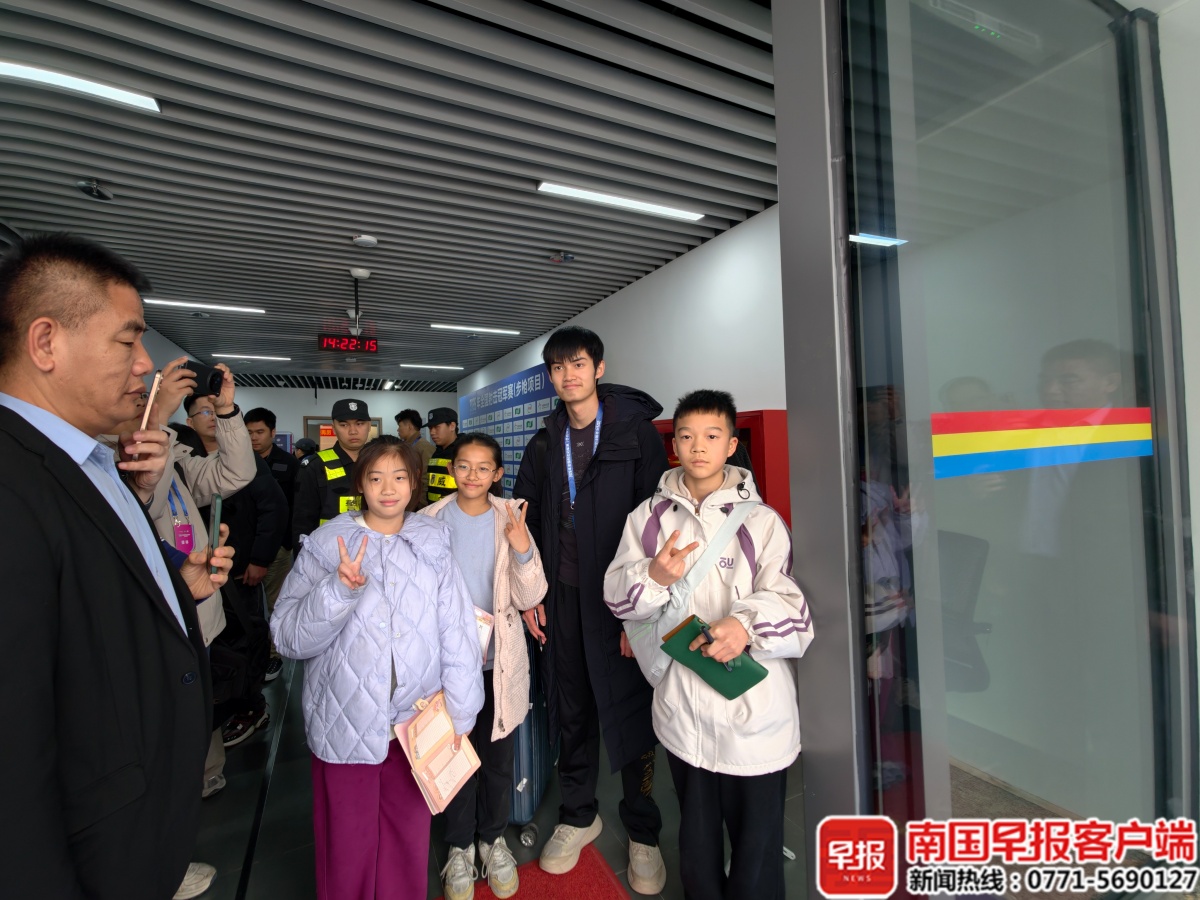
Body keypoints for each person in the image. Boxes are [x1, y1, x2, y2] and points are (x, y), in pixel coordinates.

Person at [0, 232, 234, 900]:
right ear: (46, 343)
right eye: (128, 340)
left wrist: (178, 588)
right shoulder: (13, 482)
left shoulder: (90, 460)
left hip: (131, 831)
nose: (144, 364)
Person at [605, 389, 814, 900]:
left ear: (731, 445)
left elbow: (794, 608)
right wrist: (654, 577)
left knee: (757, 849)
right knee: (696, 842)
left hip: (753, 715)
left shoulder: (761, 522)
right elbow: (617, 596)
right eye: (687, 436)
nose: (698, 447)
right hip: (684, 710)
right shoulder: (648, 518)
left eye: (712, 435)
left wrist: (745, 625)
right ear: (674, 444)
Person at [271, 436, 484, 900]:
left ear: (415, 483)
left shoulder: (432, 543)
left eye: (399, 477)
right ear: (360, 484)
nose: (388, 489)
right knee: (347, 847)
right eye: (376, 478)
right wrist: (338, 591)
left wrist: (463, 710)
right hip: (345, 723)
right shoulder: (328, 545)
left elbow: (457, 629)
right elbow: (287, 636)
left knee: (407, 842)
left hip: (415, 725)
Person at [512, 326, 668, 892]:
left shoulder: (635, 433)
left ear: (598, 368)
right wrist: (532, 595)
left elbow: (657, 521)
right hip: (564, 597)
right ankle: (579, 814)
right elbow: (526, 521)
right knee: (571, 708)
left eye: (577, 363)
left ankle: (643, 830)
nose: (568, 375)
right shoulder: (544, 441)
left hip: (624, 600)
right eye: (557, 367)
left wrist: (639, 612)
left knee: (632, 710)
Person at [421, 433, 548, 900]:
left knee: (497, 759)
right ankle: (459, 847)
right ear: (450, 469)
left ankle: (492, 840)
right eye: (463, 465)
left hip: (498, 661)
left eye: (483, 468)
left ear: (498, 473)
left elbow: (531, 595)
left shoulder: (510, 517)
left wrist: (522, 547)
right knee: (453, 758)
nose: (472, 475)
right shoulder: (428, 521)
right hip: (446, 665)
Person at [186, 393, 288, 747]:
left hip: (239, 569)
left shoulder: (245, 462)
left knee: (245, 636)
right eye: (204, 411)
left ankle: (251, 706)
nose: (212, 416)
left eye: (217, 410)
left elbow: (274, 508)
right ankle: (221, 707)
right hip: (193, 573)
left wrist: (259, 559)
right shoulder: (182, 460)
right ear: (189, 422)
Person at [245, 406, 301, 681]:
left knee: (276, 601)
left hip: (278, 546)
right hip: (244, 544)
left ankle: (274, 654)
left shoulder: (288, 464)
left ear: (272, 433)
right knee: (247, 603)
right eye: (249, 433)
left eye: (260, 432)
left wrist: (288, 543)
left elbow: (295, 506)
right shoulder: (238, 461)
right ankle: (249, 652)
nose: (254, 438)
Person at [292, 398, 371, 550]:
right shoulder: (315, 466)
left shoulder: (379, 462)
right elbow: (303, 521)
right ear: (334, 428)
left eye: (359, 424)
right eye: (344, 425)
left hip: (373, 549)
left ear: (368, 426)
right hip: (328, 552)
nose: (353, 431)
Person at [424, 406, 460, 505]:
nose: (432, 432)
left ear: (452, 426)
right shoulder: (437, 452)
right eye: (430, 428)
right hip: (434, 510)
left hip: (455, 511)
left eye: (437, 427)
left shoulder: (462, 452)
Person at [396, 407, 435, 484]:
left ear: (409, 427)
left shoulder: (424, 447)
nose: (398, 429)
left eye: (400, 426)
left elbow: (426, 478)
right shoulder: (406, 446)